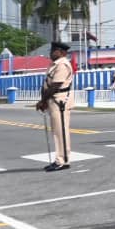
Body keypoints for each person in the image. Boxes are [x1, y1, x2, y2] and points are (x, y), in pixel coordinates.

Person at [37, 41, 74, 172]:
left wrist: (42, 101)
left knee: (61, 132)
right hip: (54, 101)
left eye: (53, 51)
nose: (51, 53)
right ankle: (60, 159)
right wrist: (44, 100)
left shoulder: (62, 65)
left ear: (61, 52)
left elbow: (55, 85)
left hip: (60, 102)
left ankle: (63, 161)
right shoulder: (54, 65)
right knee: (56, 132)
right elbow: (47, 83)